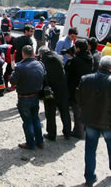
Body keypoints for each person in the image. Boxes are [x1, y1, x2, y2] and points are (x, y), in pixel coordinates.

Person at [76, 56, 111, 187]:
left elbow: (78, 98)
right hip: (108, 123)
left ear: (100, 65)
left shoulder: (86, 79)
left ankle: (90, 178)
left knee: (90, 149)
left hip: (90, 121)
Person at [10, 45, 45, 150]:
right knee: (36, 119)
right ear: (33, 54)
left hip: (24, 97)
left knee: (28, 121)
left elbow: (12, 81)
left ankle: (30, 143)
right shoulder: (40, 64)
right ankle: (40, 141)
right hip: (36, 96)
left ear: (23, 54)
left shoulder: (19, 67)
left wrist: (13, 70)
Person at [38, 46, 71, 141]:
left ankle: (52, 134)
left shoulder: (43, 62)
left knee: (50, 113)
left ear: (41, 54)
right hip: (63, 89)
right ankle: (67, 133)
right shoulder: (59, 57)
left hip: (50, 91)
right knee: (65, 112)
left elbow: (43, 76)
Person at [65, 39, 93, 139]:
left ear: (78, 48)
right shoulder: (90, 57)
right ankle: (83, 129)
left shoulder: (76, 60)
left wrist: (70, 59)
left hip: (76, 89)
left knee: (77, 111)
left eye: (75, 47)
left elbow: (68, 69)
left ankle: (79, 132)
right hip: (87, 88)